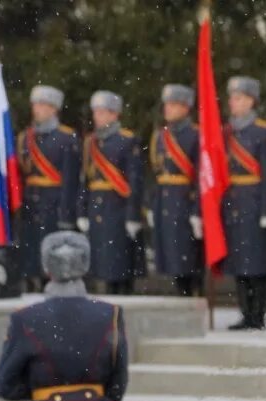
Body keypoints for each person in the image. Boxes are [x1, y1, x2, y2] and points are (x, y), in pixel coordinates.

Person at [0, 230, 129, 401]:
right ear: (85, 265)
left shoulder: (26, 318)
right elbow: (118, 380)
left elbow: (4, 385)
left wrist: (42, 391)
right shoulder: (110, 314)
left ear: (47, 268)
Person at [222, 76, 266, 330]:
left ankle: (258, 313)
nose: (233, 103)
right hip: (233, 202)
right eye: (232, 98)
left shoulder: (263, 131)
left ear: (250, 101)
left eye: (238, 98)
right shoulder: (226, 132)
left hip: (255, 202)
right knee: (239, 262)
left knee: (257, 261)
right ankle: (246, 311)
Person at [78, 90, 144, 296]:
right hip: (97, 208)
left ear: (115, 115)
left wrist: (133, 215)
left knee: (120, 263)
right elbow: (85, 180)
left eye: (103, 112)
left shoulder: (127, 140)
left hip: (118, 208)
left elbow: (135, 180)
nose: (98, 117)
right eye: (96, 112)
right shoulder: (91, 142)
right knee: (102, 264)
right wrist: (81, 210)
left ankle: (123, 300)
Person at [17, 85, 80, 291]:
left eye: (43, 105)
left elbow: (70, 180)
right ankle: (29, 278)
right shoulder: (25, 138)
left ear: (54, 109)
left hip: (53, 201)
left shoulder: (65, 137)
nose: (37, 109)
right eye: (35, 105)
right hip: (30, 199)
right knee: (29, 243)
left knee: (49, 244)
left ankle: (48, 280)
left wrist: (66, 211)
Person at [148, 84, 203, 299]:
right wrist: (152, 203)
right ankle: (182, 295)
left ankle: (193, 296)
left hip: (185, 201)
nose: (167, 109)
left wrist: (198, 209)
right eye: (167, 105)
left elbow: (200, 175)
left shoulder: (195, 135)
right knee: (171, 255)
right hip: (165, 201)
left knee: (188, 256)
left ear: (186, 108)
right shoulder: (160, 137)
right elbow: (157, 174)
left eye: (173, 105)